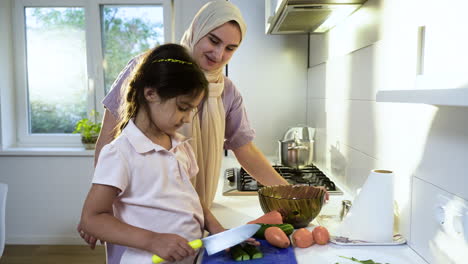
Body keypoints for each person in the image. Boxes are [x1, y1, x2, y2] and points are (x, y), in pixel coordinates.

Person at [80, 43, 240, 264]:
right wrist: (153, 240)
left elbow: (190, 198)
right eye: (183, 107)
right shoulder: (120, 152)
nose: (186, 119)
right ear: (151, 93)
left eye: (191, 110)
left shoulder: (181, 146)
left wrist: (218, 230)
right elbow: (92, 219)